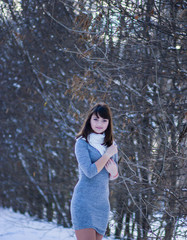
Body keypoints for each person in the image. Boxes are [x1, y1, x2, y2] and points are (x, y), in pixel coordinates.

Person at [71, 102, 119, 240]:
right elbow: (89, 172)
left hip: (102, 205)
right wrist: (106, 155)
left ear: (109, 123)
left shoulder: (111, 145)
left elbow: (112, 176)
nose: (100, 123)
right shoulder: (82, 143)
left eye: (104, 120)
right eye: (96, 119)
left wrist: (115, 171)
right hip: (84, 202)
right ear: (89, 120)